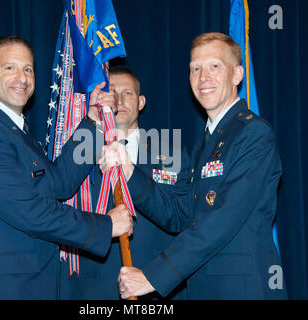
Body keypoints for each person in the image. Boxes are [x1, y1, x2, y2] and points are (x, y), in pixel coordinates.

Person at [0, 35, 133, 299]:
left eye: (28, 69)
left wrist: (93, 123)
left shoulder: (9, 129)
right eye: (10, 68)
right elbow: (28, 210)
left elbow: (57, 183)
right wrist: (105, 226)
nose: (21, 78)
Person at [102, 32, 287, 299]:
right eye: (195, 69)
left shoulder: (253, 133)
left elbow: (221, 220)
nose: (203, 78)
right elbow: (180, 214)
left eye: (214, 66)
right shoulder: (207, 142)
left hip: (243, 290)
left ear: (236, 75)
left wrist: (153, 277)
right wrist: (131, 173)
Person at [59, 66, 190, 299]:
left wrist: (131, 174)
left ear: (141, 102)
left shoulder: (172, 152)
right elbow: (60, 200)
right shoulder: (81, 150)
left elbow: (179, 218)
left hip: (155, 288)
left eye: (127, 93)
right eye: (111, 93)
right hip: (94, 290)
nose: (118, 100)